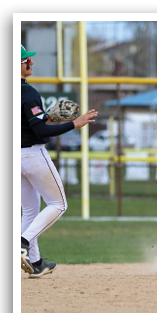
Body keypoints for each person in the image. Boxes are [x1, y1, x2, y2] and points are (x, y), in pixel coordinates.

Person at [21, 44, 98, 278]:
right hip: (32, 155)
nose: (30, 63)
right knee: (59, 204)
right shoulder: (28, 92)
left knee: (30, 210)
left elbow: (31, 123)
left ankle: (34, 263)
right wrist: (75, 123)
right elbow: (41, 132)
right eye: (25, 60)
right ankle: (22, 242)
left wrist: (45, 118)